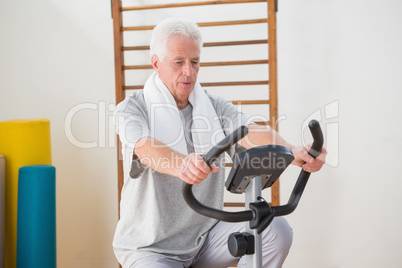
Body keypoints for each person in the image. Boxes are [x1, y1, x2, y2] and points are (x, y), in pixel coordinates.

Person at [113, 17, 326, 268]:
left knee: (275, 231)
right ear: (156, 63)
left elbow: (249, 132)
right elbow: (146, 147)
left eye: (194, 62)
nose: (189, 72)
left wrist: (292, 151)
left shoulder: (213, 106)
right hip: (150, 248)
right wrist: (183, 164)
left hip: (205, 239)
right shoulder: (131, 109)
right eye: (178, 63)